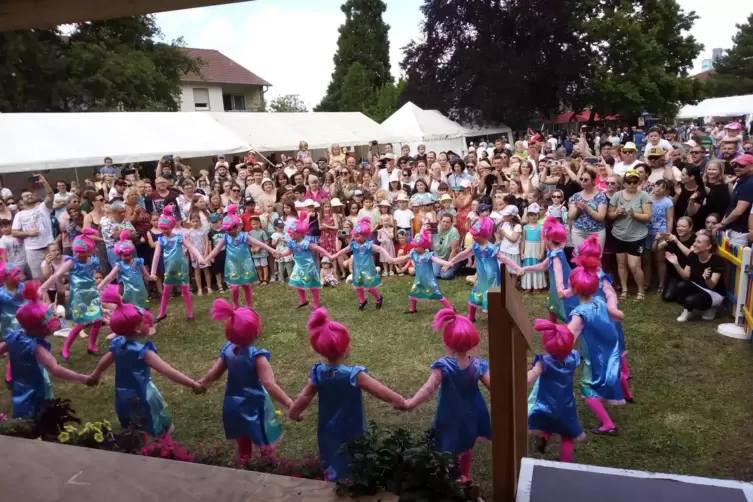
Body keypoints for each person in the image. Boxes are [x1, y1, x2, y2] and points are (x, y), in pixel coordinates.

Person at [288, 309, 404, 481]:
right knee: (355, 454)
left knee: (331, 453)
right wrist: (398, 400)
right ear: (346, 348)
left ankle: (333, 478)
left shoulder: (318, 373)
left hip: (327, 427)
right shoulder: (353, 375)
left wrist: (294, 413)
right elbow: (379, 390)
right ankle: (355, 480)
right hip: (352, 425)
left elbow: (305, 397)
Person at [89, 286, 203, 437]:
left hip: (123, 396)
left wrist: (96, 374)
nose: (148, 324)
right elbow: (167, 370)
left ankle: (140, 447)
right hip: (144, 396)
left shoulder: (117, 346)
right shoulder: (143, 352)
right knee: (165, 430)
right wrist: (192, 383)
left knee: (136, 430)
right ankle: (162, 451)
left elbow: (105, 360)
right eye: (145, 322)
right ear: (137, 328)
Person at [395, 310, 491, 483]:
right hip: (471, 414)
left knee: (443, 444)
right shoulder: (478, 365)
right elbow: (495, 388)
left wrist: (410, 403)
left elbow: (427, 389)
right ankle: (464, 476)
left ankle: (442, 477)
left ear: (448, 342)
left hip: (448, 414)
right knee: (466, 446)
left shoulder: (444, 366)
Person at [198, 299, 293, 463]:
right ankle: (267, 469)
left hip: (233, 405)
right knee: (264, 442)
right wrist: (290, 403)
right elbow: (269, 384)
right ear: (256, 331)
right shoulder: (258, 357)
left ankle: (244, 467)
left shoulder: (228, 350)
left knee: (243, 445)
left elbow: (215, 372)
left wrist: (203, 383)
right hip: (254, 406)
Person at [0, 283, 93, 419]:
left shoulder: (15, 336)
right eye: (47, 325)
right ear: (38, 329)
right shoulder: (35, 347)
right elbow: (55, 369)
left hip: (19, 384)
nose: (51, 328)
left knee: (22, 409)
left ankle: (21, 426)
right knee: (41, 413)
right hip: (37, 386)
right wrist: (81, 378)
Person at [556, 253, 626, 435]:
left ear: (574, 289)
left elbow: (568, 336)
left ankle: (608, 425)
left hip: (594, 358)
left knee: (587, 390)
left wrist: (553, 335)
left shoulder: (579, 313)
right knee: (602, 381)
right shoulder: (600, 301)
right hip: (608, 354)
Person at [38, 229, 104, 359]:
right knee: (81, 323)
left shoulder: (94, 261)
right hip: (79, 296)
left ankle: (92, 346)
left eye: (82, 252)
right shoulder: (72, 262)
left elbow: (92, 276)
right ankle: (66, 347)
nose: (78, 254)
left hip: (92, 295)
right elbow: (56, 275)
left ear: (89, 250)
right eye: (76, 251)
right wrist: (43, 288)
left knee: (97, 320)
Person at [527, 320, 583, 462]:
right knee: (567, 436)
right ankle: (566, 465)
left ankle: (545, 437)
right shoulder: (574, 357)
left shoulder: (543, 363)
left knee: (548, 421)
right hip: (566, 404)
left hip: (546, 403)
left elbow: (532, 375)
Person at [447, 217, 521, 322]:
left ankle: (496, 318)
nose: (473, 237)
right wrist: (451, 262)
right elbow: (464, 254)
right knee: (474, 298)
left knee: (493, 301)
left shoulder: (492, 249)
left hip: (492, 280)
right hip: (482, 279)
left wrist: (517, 268)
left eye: (475, 235)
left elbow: (505, 259)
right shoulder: (475, 246)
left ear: (484, 235)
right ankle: (471, 317)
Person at [201, 206, 277, 308]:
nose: (228, 231)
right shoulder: (226, 237)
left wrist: (272, 250)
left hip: (245, 263)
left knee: (246, 285)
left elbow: (260, 243)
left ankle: (249, 306)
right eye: (226, 229)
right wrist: (206, 259)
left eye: (230, 229)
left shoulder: (244, 236)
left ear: (237, 226)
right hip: (232, 264)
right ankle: (236, 305)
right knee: (235, 287)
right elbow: (216, 249)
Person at [518, 217, 578, 322]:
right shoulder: (556, 251)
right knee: (552, 305)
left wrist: (560, 288)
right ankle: (552, 327)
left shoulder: (555, 255)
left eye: (543, 237)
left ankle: (570, 331)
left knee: (566, 309)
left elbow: (558, 271)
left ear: (548, 239)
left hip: (563, 285)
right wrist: (526, 268)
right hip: (558, 285)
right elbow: (543, 266)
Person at [149, 207, 203, 323]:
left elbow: (190, 247)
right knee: (166, 291)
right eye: (162, 228)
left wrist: (200, 257)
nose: (164, 231)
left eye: (166, 228)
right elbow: (156, 256)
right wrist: (153, 272)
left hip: (182, 268)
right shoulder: (160, 241)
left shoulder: (179, 238)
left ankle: (190, 313)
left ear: (172, 226)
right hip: (169, 269)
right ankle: (162, 313)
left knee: (185, 290)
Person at [275, 213, 334, 310]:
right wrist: (281, 254)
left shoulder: (307, 243)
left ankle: (316, 303)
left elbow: (318, 249)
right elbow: (288, 251)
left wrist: (329, 255)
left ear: (299, 233)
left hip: (309, 267)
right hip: (298, 266)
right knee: (298, 283)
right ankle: (303, 300)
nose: (290, 234)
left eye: (292, 233)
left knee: (312, 285)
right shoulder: (292, 242)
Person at [608, 170, 652, 300]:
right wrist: (616, 213)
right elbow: (609, 214)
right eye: (629, 182)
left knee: (634, 265)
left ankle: (640, 290)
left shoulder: (644, 196)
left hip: (636, 236)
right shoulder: (617, 195)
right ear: (624, 183)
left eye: (635, 182)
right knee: (621, 264)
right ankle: (624, 289)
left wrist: (636, 215)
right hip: (619, 234)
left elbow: (648, 216)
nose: (632, 184)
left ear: (639, 182)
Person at [329, 218, 389, 310]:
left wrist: (389, 257)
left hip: (367, 269)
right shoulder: (353, 245)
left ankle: (378, 297)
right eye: (355, 236)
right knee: (358, 286)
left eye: (358, 236)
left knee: (369, 287)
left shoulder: (369, 245)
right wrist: (334, 256)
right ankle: (362, 301)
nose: (356, 238)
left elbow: (380, 249)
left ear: (365, 235)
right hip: (357, 269)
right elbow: (343, 250)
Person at [665, 231, 726, 322]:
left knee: (690, 300)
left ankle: (711, 308)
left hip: (713, 292)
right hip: (698, 286)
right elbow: (686, 276)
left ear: (708, 246)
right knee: (680, 287)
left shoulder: (717, 260)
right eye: (695, 241)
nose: (694, 244)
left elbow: (712, 286)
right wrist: (676, 264)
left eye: (699, 242)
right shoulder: (693, 255)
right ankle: (689, 310)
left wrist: (707, 278)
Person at [391, 230, 454, 314]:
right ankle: (413, 309)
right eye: (414, 246)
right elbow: (403, 258)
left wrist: (447, 263)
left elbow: (437, 260)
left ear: (423, 246)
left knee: (438, 295)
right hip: (419, 280)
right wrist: (393, 260)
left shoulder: (428, 255)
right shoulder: (413, 254)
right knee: (412, 295)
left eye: (416, 246)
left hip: (429, 281)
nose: (414, 248)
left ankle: (450, 308)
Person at [12, 175, 55, 280]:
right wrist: (28, 233)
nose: (30, 196)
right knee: (38, 278)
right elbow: (14, 232)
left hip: (49, 247)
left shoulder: (43, 207)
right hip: (33, 251)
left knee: (55, 276)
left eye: (31, 194)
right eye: (26, 196)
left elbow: (50, 195)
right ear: (21, 201)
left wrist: (44, 182)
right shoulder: (20, 215)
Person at [97, 231, 151, 309]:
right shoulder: (119, 265)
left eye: (129, 255)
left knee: (144, 306)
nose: (127, 257)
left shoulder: (138, 261)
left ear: (132, 253)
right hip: (128, 292)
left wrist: (150, 277)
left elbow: (145, 274)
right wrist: (100, 287)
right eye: (125, 255)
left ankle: (146, 319)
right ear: (120, 255)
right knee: (130, 308)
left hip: (141, 290)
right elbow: (110, 277)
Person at [521, 204, 546, 292]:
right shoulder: (525, 228)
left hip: (536, 249)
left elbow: (543, 241)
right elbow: (523, 241)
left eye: (535, 214)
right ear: (528, 216)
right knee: (528, 265)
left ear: (538, 215)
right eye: (531, 215)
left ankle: (537, 286)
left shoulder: (541, 227)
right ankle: (528, 285)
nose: (533, 217)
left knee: (536, 266)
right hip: (528, 249)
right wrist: (522, 253)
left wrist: (542, 252)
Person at [432, 215, 460, 279]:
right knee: (435, 274)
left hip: (450, 258)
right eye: (443, 221)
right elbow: (428, 243)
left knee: (445, 276)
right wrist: (425, 229)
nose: (445, 224)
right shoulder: (436, 228)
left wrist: (446, 265)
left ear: (451, 223)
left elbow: (454, 250)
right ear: (440, 222)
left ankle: (455, 267)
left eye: (448, 222)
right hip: (438, 257)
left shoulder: (454, 231)